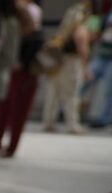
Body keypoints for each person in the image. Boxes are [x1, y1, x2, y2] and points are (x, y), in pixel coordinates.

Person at [0, 0, 42, 156]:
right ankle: (4, 145)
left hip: (19, 74)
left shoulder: (14, 27)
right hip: (21, 74)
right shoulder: (30, 33)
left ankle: (3, 145)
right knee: (12, 112)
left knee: (8, 111)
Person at [42, 2, 93, 134]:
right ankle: (72, 124)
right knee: (71, 94)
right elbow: (83, 49)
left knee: (53, 93)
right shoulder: (80, 29)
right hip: (72, 63)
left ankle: (48, 122)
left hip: (58, 63)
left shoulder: (62, 31)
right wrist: (86, 67)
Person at [84, 12, 112, 128]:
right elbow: (96, 33)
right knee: (85, 79)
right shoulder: (106, 17)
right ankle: (66, 110)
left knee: (109, 90)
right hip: (102, 55)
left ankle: (104, 119)